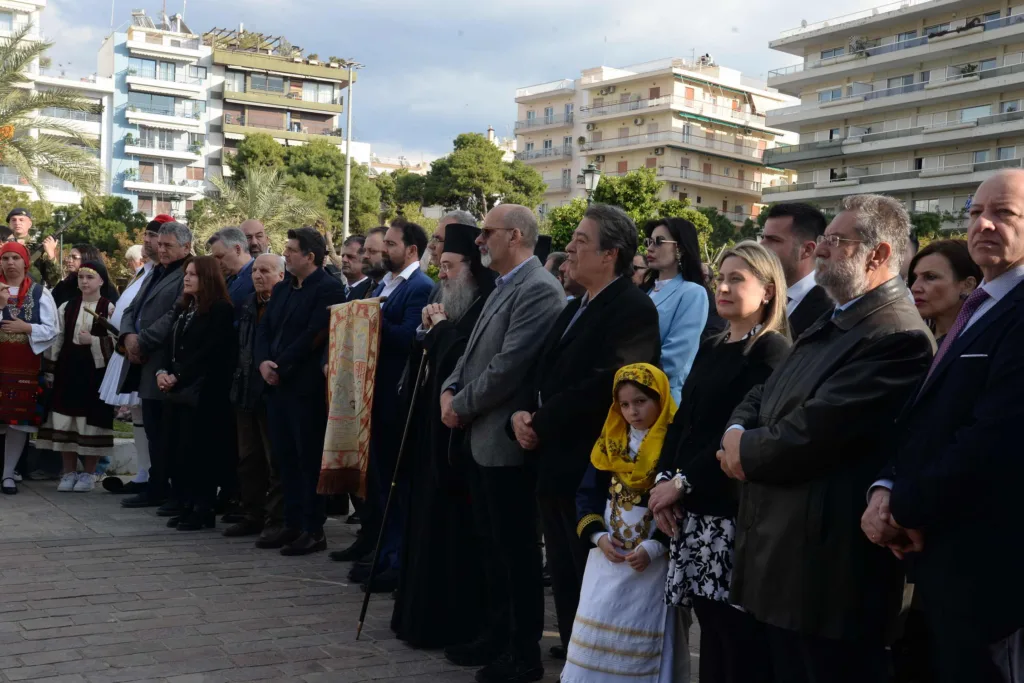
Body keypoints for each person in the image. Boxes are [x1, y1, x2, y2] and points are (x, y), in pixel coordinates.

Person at [719, 194, 934, 683]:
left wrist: (743, 453)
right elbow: (762, 393)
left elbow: (810, 434)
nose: (822, 251)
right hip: (785, 559)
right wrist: (736, 431)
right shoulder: (836, 318)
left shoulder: (896, 336)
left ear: (878, 255)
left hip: (823, 577)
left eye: (837, 242)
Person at [866, 170, 1024, 683]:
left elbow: (994, 438)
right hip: (940, 559)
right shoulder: (981, 307)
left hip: (988, 568)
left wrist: (906, 508)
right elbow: (927, 417)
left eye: (1004, 213)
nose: (985, 224)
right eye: (976, 212)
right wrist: (887, 488)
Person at [512, 204, 660, 678]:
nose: (569, 248)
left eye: (580, 240)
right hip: (553, 459)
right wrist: (520, 411)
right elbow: (541, 368)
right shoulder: (577, 304)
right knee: (563, 567)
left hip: (588, 466)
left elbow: (608, 383)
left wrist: (541, 418)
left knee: (586, 571)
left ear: (610, 253)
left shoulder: (634, 308)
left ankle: (592, 662)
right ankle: (576, 652)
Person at [648, 241, 792, 683]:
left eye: (737, 279)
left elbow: (738, 431)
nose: (723, 287)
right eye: (720, 278)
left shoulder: (772, 352)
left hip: (732, 514)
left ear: (767, 290)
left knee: (738, 639)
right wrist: (664, 479)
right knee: (710, 633)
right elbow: (683, 420)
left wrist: (683, 482)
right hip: (691, 510)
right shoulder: (712, 345)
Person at [439, 203, 565, 682]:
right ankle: (496, 635)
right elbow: (471, 351)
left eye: (487, 232)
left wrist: (461, 404)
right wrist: (450, 388)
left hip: (506, 444)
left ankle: (523, 650)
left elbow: (508, 368)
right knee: (490, 547)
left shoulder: (538, 290)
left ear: (514, 236)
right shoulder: (504, 285)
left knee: (514, 553)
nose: (478, 239)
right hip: (480, 437)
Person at [391, 223, 494, 649]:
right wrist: (429, 334)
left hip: (458, 440)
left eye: (450, 266)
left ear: (471, 268)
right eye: (443, 266)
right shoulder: (448, 300)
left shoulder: (482, 304)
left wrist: (439, 332)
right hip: (428, 433)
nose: (444, 275)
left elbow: (464, 355)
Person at [563, 363, 676, 683]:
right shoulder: (610, 441)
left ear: (661, 398)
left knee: (645, 632)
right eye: (624, 404)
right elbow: (587, 494)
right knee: (599, 623)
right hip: (608, 556)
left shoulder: (673, 445)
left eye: (641, 401)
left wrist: (656, 546)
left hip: (652, 564)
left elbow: (682, 506)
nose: (632, 411)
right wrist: (597, 535)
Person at [341, 220, 432, 590]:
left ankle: (395, 560)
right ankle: (381, 553)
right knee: (379, 485)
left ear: (411, 250)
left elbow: (411, 338)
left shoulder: (420, 287)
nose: (382, 251)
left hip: (396, 400)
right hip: (372, 396)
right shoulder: (386, 284)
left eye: (390, 244)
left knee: (396, 485)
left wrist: (370, 317)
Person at [255, 227, 346, 555]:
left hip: (304, 388)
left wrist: (280, 365)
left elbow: (315, 335)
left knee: (307, 460)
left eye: (292, 249)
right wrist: (263, 362)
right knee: (284, 459)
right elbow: (264, 327)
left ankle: (312, 528)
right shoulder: (282, 289)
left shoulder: (329, 289)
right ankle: (290, 523)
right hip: (276, 386)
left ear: (310, 256)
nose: (286, 253)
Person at [117, 221, 192, 510]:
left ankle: (167, 488)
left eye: (168, 245)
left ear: (186, 247)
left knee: (166, 432)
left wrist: (142, 341)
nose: (161, 249)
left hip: (165, 361)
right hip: (144, 361)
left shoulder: (187, 271)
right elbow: (132, 308)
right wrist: (127, 336)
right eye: (159, 244)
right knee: (152, 428)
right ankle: (156, 485)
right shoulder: (155, 272)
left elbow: (176, 313)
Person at [157, 257, 236, 531]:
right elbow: (172, 345)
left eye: (193, 274)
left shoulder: (221, 309)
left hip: (205, 394)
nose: (187, 278)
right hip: (180, 390)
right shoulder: (186, 307)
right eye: (186, 274)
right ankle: (186, 504)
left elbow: (211, 351)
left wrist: (179, 376)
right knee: (180, 451)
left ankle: (202, 508)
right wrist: (163, 372)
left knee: (201, 453)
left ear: (208, 278)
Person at [35, 261, 117, 493]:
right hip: (68, 372)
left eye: (90, 277)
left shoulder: (109, 308)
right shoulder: (67, 307)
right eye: (81, 277)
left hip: (94, 377)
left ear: (101, 280)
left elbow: (119, 341)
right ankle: (68, 471)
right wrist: (50, 369)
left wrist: (93, 341)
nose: (84, 282)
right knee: (65, 420)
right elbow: (56, 339)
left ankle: (89, 474)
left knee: (91, 422)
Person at [99, 220, 167, 495]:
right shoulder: (145, 272)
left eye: (155, 236)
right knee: (139, 413)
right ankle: (144, 472)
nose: (148, 241)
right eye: (148, 235)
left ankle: (158, 476)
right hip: (128, 348)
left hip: (149, 351)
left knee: (153, 416)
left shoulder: (165, 273)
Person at [225, 254, 286, 540]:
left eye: (266, 271)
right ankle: (252, 514)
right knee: (248, 457)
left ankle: (276, 519)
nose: (258, 275)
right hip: (245, 389)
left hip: (272, 391)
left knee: (275, 460)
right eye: (256, 271)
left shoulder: (284, 304)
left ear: (281, 275)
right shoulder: (248, 303)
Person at [0, 241, 58, 494]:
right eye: (5, 258)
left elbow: (52, 330)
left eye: (15, 258)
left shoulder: (39, 293)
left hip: (23, 368)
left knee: (17, 421)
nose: (10, 263)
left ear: (26, 262)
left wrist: (28, 328)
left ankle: (8, 474)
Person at [640, 218, 709, 404]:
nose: (650, 248)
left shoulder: (693, 293)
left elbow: (673, 359)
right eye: (649, 241)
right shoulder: (644, 291)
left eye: (659, 242)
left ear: (681, 248)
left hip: (659, 398)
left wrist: (629, 372)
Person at [759, 202, 832, 337]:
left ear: (807, 250)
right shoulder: (758, 297)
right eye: (763, 237)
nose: (761, 246)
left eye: (773, 240)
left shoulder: (830, 308)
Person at [907, 239, 982, 340]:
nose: (915, 288)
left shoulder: (980, 340)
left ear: (967, 285)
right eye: (915, 277)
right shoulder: (911, 340)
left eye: (930, 277)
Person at [51, 244, 119, 308]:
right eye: (69, 257)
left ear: (87, 258)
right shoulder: (64, 286)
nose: (69, 260)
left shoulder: (106, 290)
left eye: (74, 257)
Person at [4, 207, 59, 287]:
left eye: (21, 220)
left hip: (31, 294)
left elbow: (54, 281)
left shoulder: (40, 249)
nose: (17, 223)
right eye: (13, 220)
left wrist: (51, 255)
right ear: (9, 224)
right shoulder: (3, 246)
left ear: (30, 224)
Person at [207, 227, 254, 312]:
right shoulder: (227, 278)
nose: (217, 263)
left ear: (237, 249)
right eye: (215, 258)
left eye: (220, 256)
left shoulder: (258, 276)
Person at [340, 235, 374, 301]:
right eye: (343, 256)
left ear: (365, 258)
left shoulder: (372, 291)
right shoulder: (337, 290)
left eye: (350, 256)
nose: (344, 260)